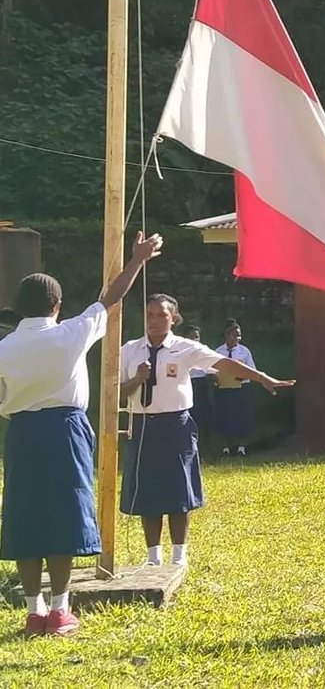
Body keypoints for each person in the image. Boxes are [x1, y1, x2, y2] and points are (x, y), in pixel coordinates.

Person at [0, 231, 163, 638]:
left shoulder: (5, 346)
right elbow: (111, 297)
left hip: (20, 431)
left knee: (25, 515)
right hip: (64, 428)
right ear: (57, 305)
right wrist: (138, 258)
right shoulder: (69, 333)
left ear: (18, 308)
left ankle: (33, 611)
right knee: (64, 513)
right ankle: (59, 610)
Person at [119, 296, 295, 569]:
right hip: (143, 424)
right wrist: (137, 378)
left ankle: (179, 553)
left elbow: (222, 364)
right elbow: (117, 393)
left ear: (173, 318)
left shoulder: (184, 348)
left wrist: (261, 377)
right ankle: (153, 555)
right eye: (150, 314)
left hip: (175, 423)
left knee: (178, 490)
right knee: (148, 490)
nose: (154, 321)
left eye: (161, 315)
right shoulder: (129, 350)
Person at [215, 319, 256, 457]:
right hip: (224, 389)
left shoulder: (244, 351)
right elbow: (211, 370)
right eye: (234, 335)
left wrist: (242, 376)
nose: (237, 338)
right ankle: (226, 448)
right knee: (225, 417)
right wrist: (216, 378)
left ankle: (241, 448)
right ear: (226, 335)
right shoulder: (218, 351)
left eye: (239, 335)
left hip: (241, 389)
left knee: (241, 417)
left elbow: (252, 370)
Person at [183, 324, 215, 447]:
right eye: (192, 337)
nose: (195, 339)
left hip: (202, 384)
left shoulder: (203, 349)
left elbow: (212, 367)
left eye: (197, 336)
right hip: (188, 384)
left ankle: (205, 444)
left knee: (203, 414)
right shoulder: (181, 349)